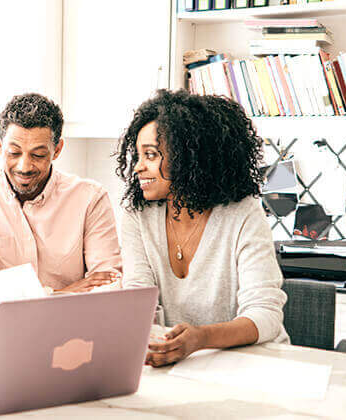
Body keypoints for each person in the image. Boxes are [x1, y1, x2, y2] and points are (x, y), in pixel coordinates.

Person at [117, 89, 288, 367]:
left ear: (188, 157)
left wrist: (201, 338)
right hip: (179, 364)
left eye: (150, 155)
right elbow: (138, 301)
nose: (138, 167)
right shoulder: (137, 215)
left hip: (251, 363)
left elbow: (265, 315)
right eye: (138, 155)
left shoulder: (242, 213)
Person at [0, 93, 122, 292]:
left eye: (38, 155)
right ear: (0, 146)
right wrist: (59, 293)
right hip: (2, 322)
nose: (24, 166)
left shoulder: (91, 198)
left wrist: (1, 286)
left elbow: (108, 282)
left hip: (71, 322)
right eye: (14, 153)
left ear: (57, 149)